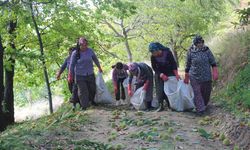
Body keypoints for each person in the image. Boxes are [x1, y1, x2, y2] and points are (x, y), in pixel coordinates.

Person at [184, 35, 218, 114]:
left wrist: (215, 71)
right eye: (198, 43)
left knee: (206, 92)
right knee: (197, 92)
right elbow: (188, 64)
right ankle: (200, 109)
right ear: (195, 43)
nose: (200, 44)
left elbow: (212, 61)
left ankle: (204, 105)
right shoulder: (190, 51)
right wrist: (186, 75)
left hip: (206, 76)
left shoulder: (206, 50)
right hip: (194, 75)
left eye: (201, 42)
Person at [68, 37, 103, 110]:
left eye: (86, 45)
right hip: (80, 75)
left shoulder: (90, 51)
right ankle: (84, 106)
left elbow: (95, 59)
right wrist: (70, 75)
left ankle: (92, 101)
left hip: (90, 73)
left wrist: (99, 67)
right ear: (79, 45)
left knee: (92, 89)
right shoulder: (75, 53)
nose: (85, 46)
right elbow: (72, 65)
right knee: (83, 91)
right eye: (83, 45)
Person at [149, 42, 180, 112]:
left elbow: (173, 64)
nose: (153, 54)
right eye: (152, 53)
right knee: (160, 89)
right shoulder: (153, 57)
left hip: (169, 71)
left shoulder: (167, 53)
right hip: (160, 73)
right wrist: (161, 74)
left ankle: (170, 104)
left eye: (154, 52)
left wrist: (176, 74)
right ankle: (161, 105)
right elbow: (154, 67)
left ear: (157, 50)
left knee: (169, 88)